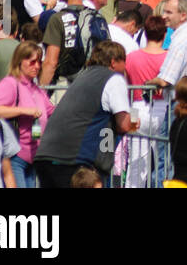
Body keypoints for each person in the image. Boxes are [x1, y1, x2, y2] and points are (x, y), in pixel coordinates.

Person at [33, 41, 137, 187]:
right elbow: (124, 125)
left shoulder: (84, 76)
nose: (125, 68)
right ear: (113, 62)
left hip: (46, 156)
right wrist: (133, 119)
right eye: (123, 62)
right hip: (75, 161)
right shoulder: (113, 79)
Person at [0, 41, 55, 188]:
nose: (36, 66)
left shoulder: (35, 88)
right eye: (32, 62)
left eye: (39, 62)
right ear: (20, 61)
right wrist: (23, 110)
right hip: (15, 157)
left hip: (32, 157)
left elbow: (52, 111)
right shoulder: (10, 83)